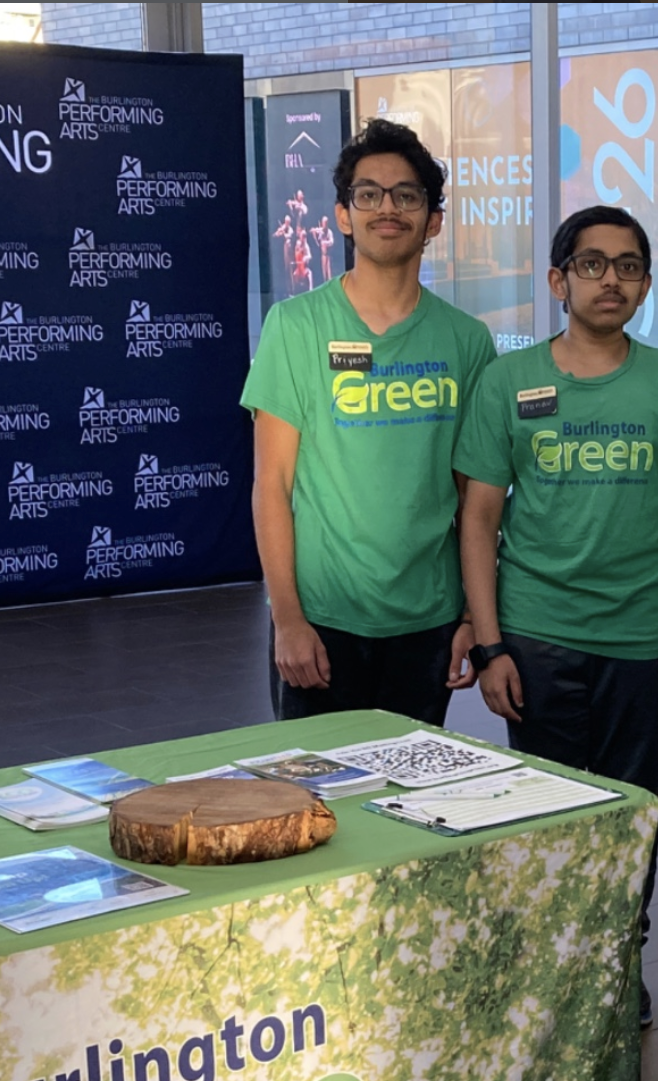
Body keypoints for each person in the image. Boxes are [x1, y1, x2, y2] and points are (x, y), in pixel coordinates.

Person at [455, 205, 658, 1027]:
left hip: (643, 641)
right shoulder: (509, 384)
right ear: (557, 279)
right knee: (547, 811)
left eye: (629, 266)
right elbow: (477, 521)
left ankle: (618, 967)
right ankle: (552, 965)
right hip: (534, 639)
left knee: (632, 811)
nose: (611, 279)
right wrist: (492, 644)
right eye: (592, 263)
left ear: (646, 283)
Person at [241, 118, 496, 723]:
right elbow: (272, 486)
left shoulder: (467, 341)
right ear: (343, 215)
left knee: (409, 802)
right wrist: (288, 620)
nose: (388, 208)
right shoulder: (295, 326)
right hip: (323, 623)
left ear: (432, 220)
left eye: (407, 195)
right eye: (369, 194)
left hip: (428, 622)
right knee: (317, 804)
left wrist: (470, 619)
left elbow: (476, 499)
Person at [311, 215, 335, 282]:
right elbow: (318, 243)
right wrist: (314, 235)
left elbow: (332, 242)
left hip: (329, 255)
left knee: (329, 273)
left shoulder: (329, 232)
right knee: (324, 273)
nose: (324, 225)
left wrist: (325, 242)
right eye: (323, 223)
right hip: (323, 255)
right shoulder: (321, 232)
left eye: (326, 223)